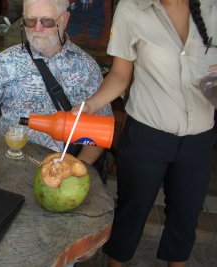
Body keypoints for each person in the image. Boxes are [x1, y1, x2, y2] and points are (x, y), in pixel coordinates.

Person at [74, 0, 217, 266]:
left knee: (186, 218)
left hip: (199, 138)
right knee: (131, 212)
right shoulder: (132, 9)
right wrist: (91, 105)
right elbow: (120, 74)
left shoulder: (212, 8)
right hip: (147, 136)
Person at [0, 0, 112, 166]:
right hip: (9, 164)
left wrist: (75, 167)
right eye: (30, 21)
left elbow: (101, 130)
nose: (37, 29)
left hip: (61, 170)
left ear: (64, 19)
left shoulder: (86, 68)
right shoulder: (6, 61)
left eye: (47, 21)